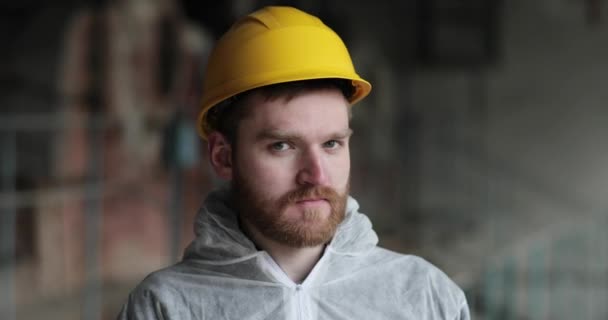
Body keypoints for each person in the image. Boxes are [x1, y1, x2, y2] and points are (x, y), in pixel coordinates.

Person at [118, 6, 470, 320]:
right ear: (223, 156)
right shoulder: (165, 308)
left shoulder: (426, 298)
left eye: (332, 143)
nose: (316, 174)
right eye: (283, 145)